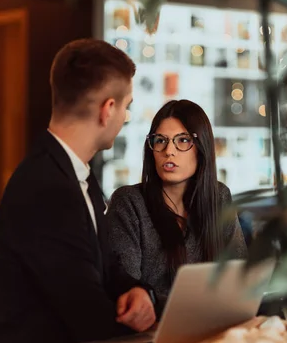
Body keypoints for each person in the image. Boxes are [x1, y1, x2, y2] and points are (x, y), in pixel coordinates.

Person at [0, 39, 157, 343]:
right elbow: (85, 311)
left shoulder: (80, 176)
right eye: (126, 107)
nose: (125, 116)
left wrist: (135, 290)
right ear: (107, 110)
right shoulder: (45, 187)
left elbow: (105, 265)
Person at [106, 100, 247, 316]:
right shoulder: (129, 203)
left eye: (182, 140)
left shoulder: (218, 198)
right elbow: (128, 293)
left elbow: (240, 277)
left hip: (213, 328)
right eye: (160, 140)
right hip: (150, 333)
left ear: (202, 149)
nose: (169, 151)